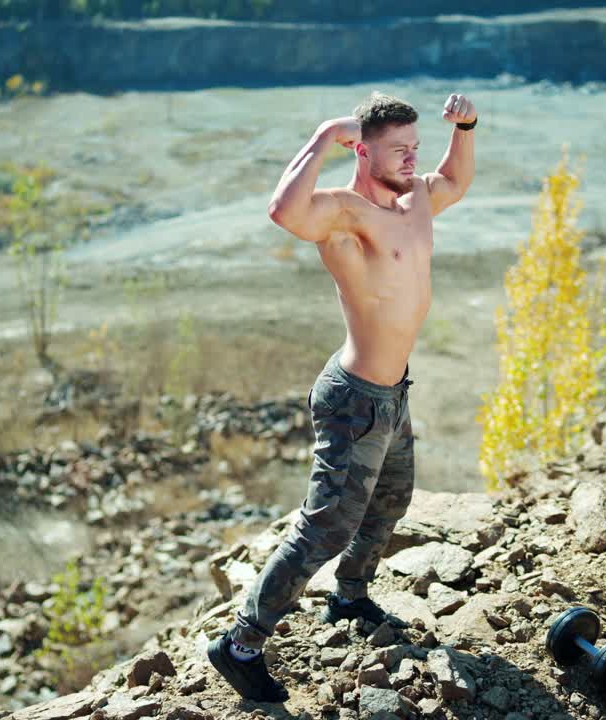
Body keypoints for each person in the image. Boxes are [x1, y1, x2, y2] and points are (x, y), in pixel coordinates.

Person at [205, 91, 477, 703]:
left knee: (391, 502)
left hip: (393, 394)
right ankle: (241, 642)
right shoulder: (344, 214)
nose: (412, 159)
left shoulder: (418, 201)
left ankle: (350, 597)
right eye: (398, 150)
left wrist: (467, 126)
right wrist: (328, 131)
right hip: (354, 399)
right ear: (363, 149)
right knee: (327, 526)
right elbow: (284, 210)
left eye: (416, 147)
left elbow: (457, 177)